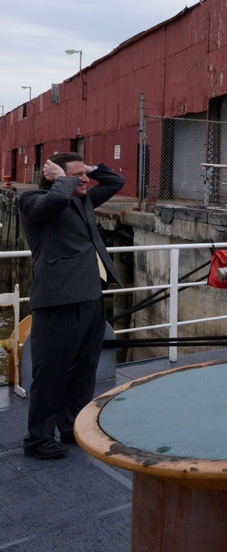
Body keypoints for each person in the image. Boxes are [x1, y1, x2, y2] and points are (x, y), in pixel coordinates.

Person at [19, 153, 124, 459]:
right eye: (76, 175)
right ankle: (38, 439)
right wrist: (61, 180)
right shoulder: (31, 202)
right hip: (57, 300)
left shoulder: (83, 199)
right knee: (50, 372)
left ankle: (71, 427)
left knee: (84, 369)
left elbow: (116, 181)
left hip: (90, 296)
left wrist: (88, 168)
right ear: (54, 177)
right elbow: (53, 202)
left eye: (85, 174)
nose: (85, 180)